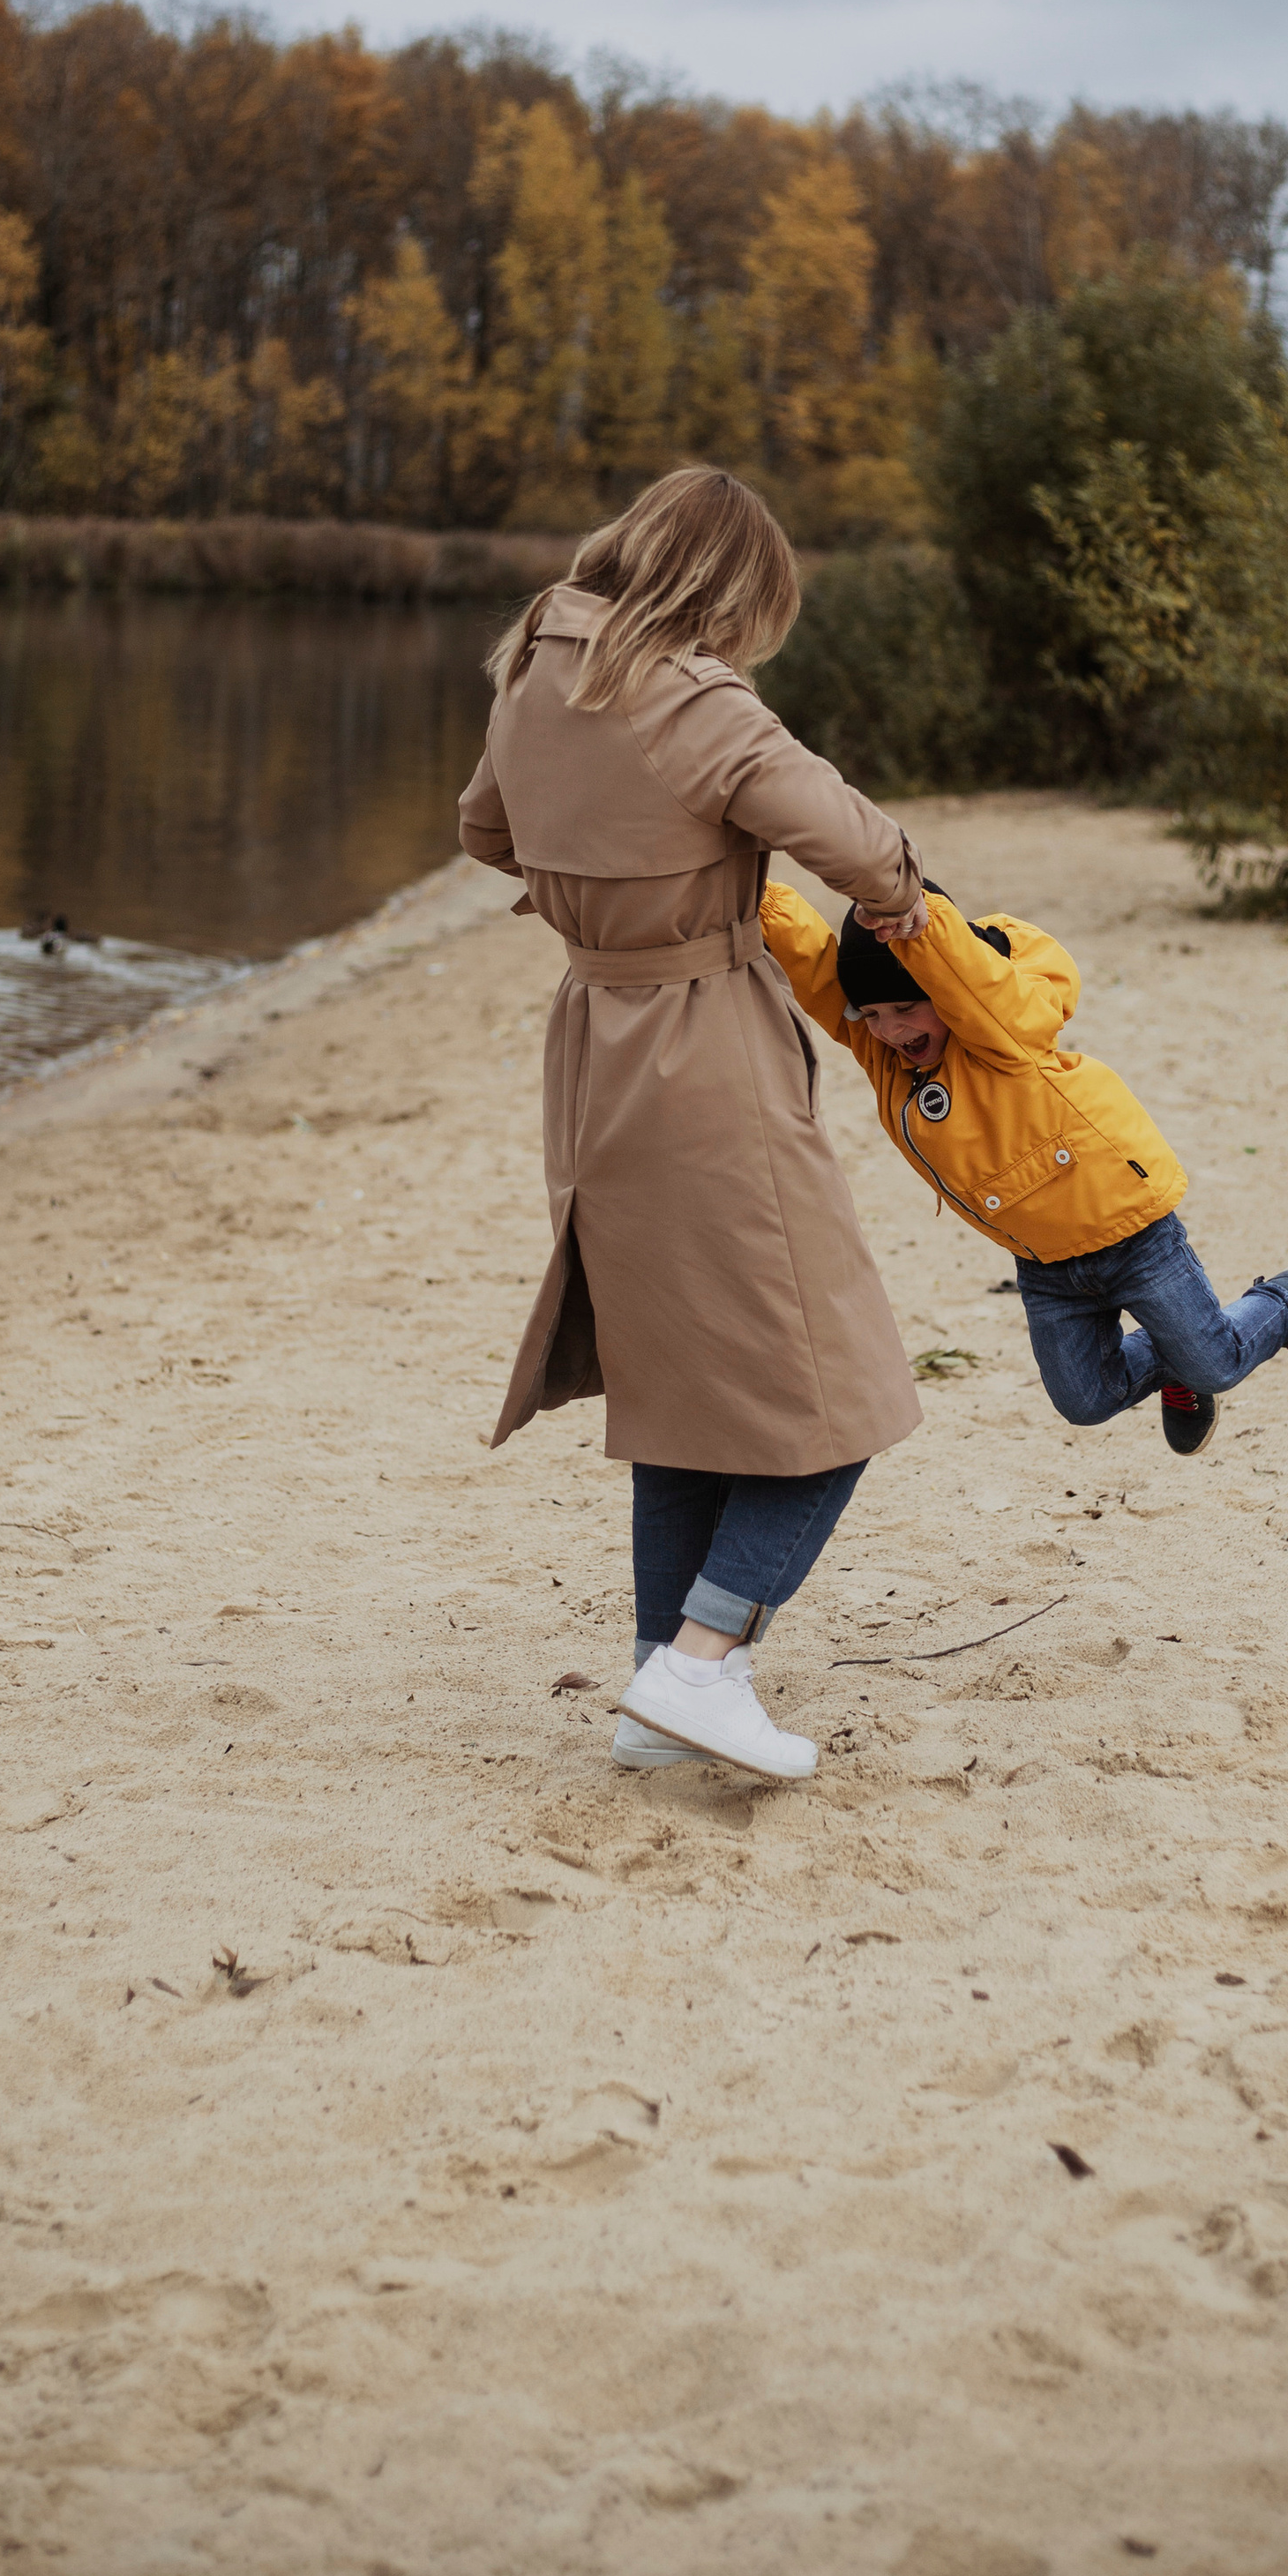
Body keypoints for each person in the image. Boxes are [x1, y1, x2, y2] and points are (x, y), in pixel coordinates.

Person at [458, 467, 930, 1786]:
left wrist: (608, 883)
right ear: (730, 590)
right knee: (837, 1394)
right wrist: (898, 903)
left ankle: (653, 1696)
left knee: (681, 1397)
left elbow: (484, 831)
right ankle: (698, 1663)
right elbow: (854, 842)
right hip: (705, 1053)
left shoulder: (530, 674)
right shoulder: (696, 702)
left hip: (593, 1044)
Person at [760, 877, 1288, 1451]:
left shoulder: (999, 1030)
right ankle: (1172, 1364)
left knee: (1217, 1361)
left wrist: (917, 924)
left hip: (1130, 1233)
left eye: (906, 1008)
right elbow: (817, 973)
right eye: (872, 1016)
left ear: (947, 991)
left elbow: (971, 980)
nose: (890, 1031)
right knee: (1084, 1400)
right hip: (1045, 1264)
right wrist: (752, 895)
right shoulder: (885, 1056)